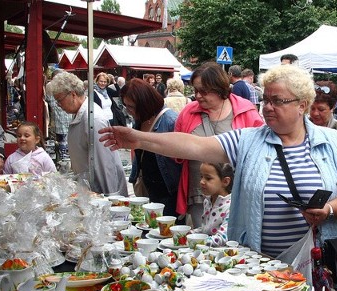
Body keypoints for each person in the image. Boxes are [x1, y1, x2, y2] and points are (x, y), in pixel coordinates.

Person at [99, 64, 337, 265]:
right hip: (259, 262)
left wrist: (329, 210)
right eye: (267, 100)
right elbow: (194, 145)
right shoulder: (248, 140)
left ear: (302, 105)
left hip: (317, 260)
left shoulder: (332, 142)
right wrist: (139, 139)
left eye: (278, 101)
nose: (268, 107)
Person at [174, 62, 263, 227]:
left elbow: (259, 154)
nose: (198, 95)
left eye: (204, 91)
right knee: (200, 243)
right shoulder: (188, 112)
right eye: (195, 90)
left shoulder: (246, 111)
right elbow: (177, 152)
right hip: (198, 193)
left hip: (235, 197)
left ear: (219, 88)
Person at [47, 71, 128, 196]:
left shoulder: (93, 120)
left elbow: (105, 164)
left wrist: (109, 197)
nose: (59, 105)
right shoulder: (81, 114)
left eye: (60, 100)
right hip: (90, 190)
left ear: (73, 95)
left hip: (103, 193)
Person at [122, 78, 181, 216]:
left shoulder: (170, 120)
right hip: (147, 187)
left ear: (144, 104)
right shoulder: (140, 119)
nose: (128, 111)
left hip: (168, 191)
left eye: (131, 107)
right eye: (126, 106)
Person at [190, 162, 233, 247]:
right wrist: (190, 233)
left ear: (225, 181)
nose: (202, 181)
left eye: (208, 178)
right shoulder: (208, 201)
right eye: (201, 176)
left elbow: (222, 238)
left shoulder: (231, 206)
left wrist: (195, 240)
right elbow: (206, 230)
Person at [45, 69, 72, 160]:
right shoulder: (51, 86)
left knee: (65, 140)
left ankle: (64, 157)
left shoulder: (64, 87)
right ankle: (62, 158)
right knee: (61, 140)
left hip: (66, 118)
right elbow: (52, 104)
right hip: (59, 119)